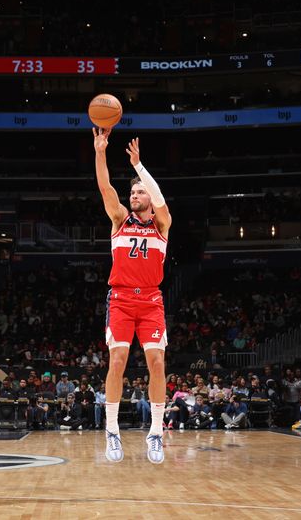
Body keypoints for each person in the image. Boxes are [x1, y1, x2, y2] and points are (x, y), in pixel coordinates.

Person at [94, 128, 172, 464]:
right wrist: (100, 152)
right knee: (118, 361)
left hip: (151, 300)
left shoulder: (161, 224)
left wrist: (140, 168)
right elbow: (105, 187)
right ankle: (112, 431)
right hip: (122, 300)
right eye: (133, 192)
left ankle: (156, 433)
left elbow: (160, 198)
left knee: (157, 363)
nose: (135, 195)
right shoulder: (119, 220)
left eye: (140, 192)